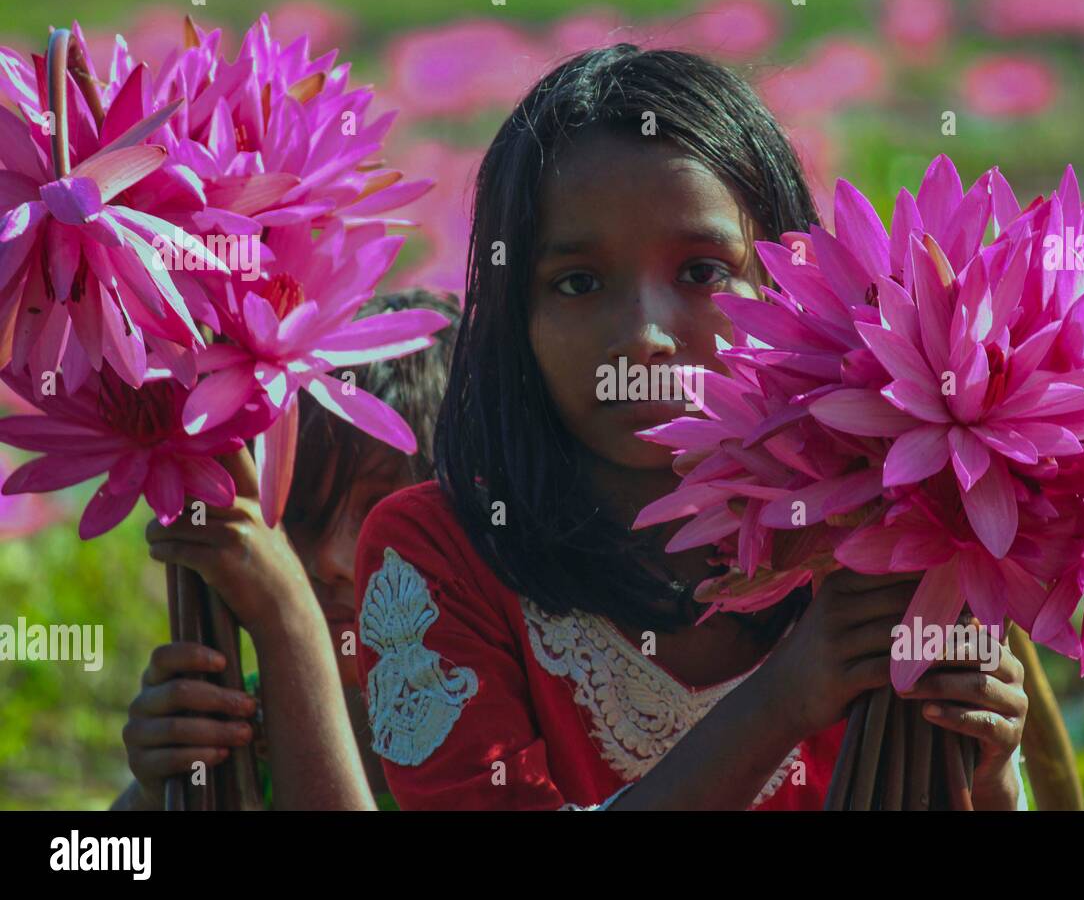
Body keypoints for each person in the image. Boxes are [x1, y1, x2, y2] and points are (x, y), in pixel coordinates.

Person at [354, 46, 1029, 810]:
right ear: (516, 314)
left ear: (789, 284)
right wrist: (782, 701)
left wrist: (987, 773)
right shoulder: (437, 553)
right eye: (577, 282)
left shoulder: (894, 530)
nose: (645, 335)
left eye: (703, 272)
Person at [110, 289, 460, 811]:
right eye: (298, 516)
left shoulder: (506, 742)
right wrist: (157, 794)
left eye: (384, 517)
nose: (331, 563)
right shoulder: (239, 723)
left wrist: (289, 620)